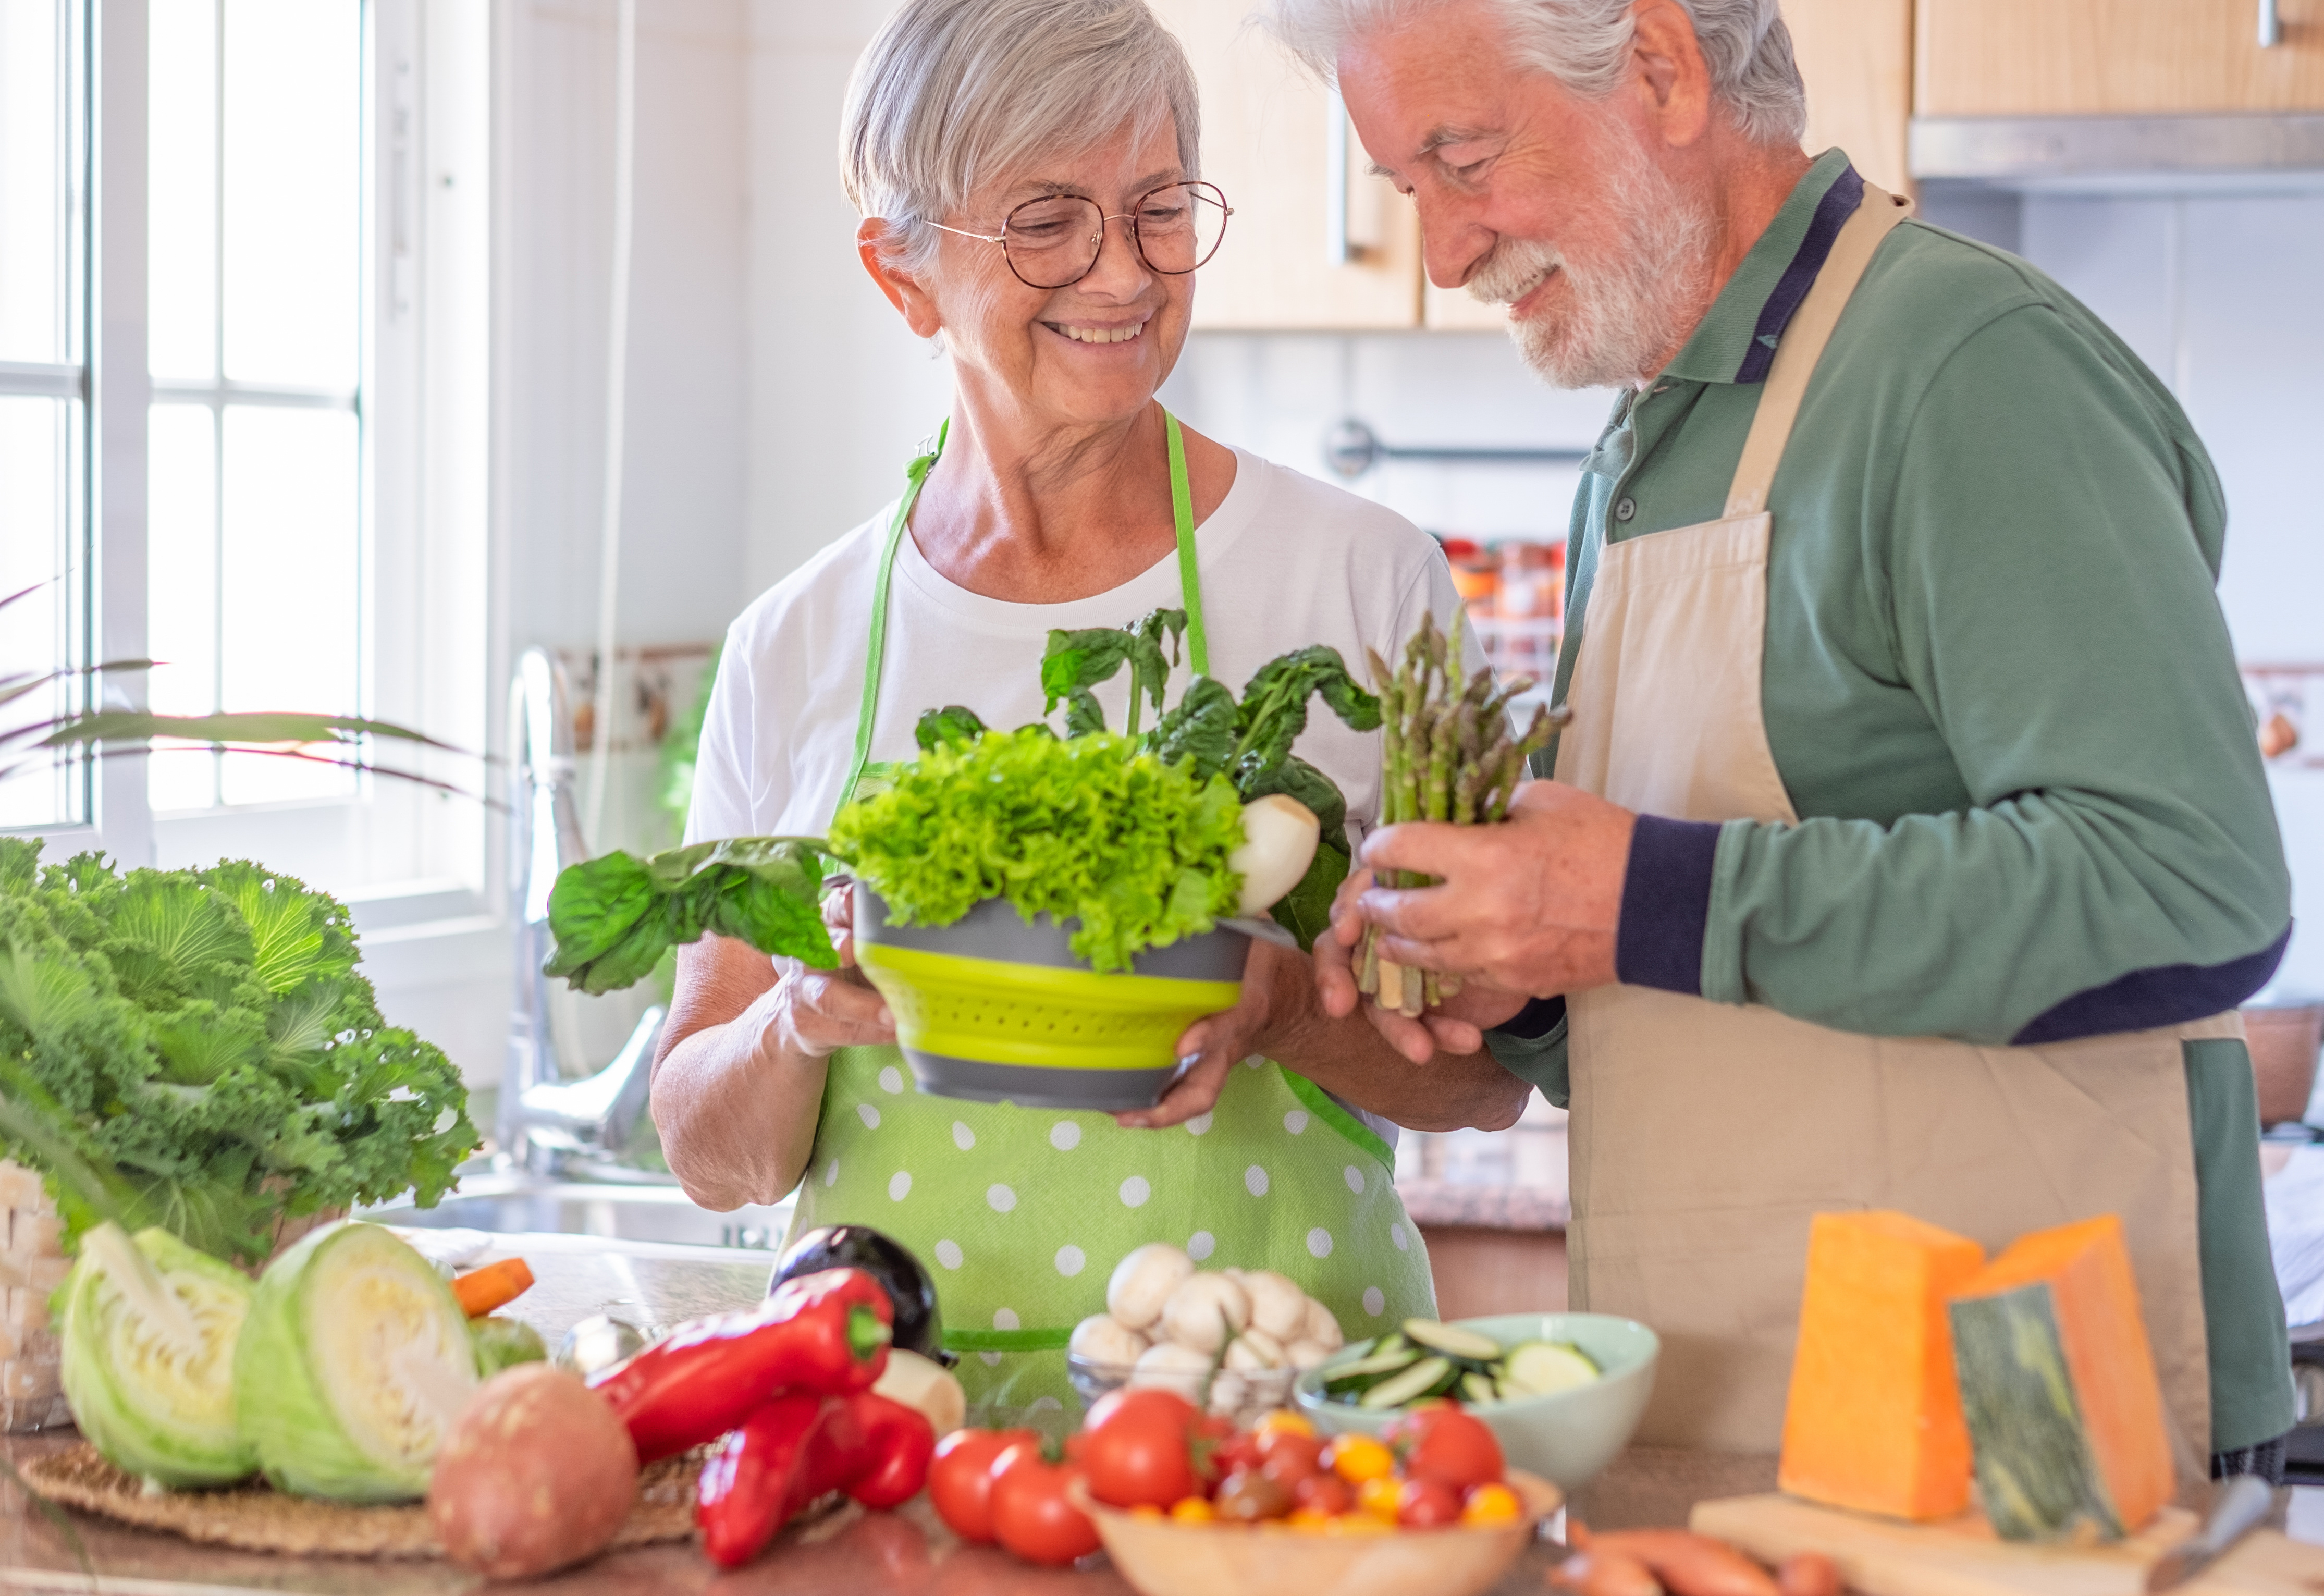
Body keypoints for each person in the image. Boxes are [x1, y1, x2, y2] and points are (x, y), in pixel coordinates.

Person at [1278, 0, 2296, 1475]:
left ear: (1660, 66)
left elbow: (2189, 891)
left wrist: (1631, 899)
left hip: (2024, 1424)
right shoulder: (1646, 442)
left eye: (1465, 157)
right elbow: (1692, 968)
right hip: (1728, 1406)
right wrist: (1520, 981)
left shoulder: (1963, 369)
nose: (1442, 254)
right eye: (1404, 190)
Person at [651, 0, 1531, 1408]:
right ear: (905, 276)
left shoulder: (1361, 584)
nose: (1122, 274)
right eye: (1048, 222)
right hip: (892, 1433)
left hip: (1281, 1431)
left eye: (1158, 210)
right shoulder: (791, 648)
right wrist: (800, 1020)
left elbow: (1487, 1080)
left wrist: (1279, 1010)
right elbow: (710, 1157)